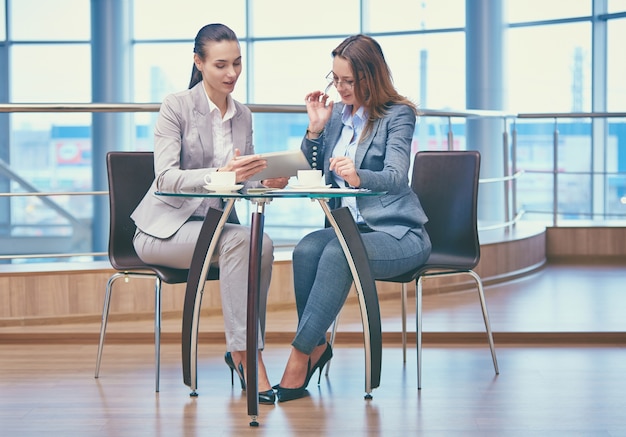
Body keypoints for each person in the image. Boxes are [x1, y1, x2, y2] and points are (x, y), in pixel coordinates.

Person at [131, 23, 288, 405]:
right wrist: (219, 175)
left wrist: (264, 182)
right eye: (220, 65)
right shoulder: (176, 107)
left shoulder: (243, 115)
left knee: (261, 245)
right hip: (164, 232)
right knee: (243, 242)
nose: (231, 73)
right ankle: (247, 356)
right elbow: (166, 178)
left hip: (215, 232)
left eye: (237, 63)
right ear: (198, 62)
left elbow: (241, 182)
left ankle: (244, 349)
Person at [274, 34, 432, 402]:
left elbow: (396, 177)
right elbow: (309, 169)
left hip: (399, 234)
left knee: (337, 252)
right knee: (307, 248)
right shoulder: (336, 118)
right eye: (336, 79)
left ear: (369, 77)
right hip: (352, 228)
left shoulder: (397, 114)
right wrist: (314, 129)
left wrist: (359, 175)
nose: (341, 88)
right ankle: (317, 344)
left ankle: (299, 357)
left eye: (349, 81)